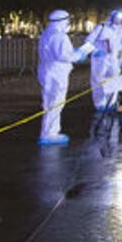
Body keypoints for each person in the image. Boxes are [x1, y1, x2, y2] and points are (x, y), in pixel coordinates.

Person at [37, 9, 92, 146]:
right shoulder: (59, 36)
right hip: (56, 73)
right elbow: (64, 56)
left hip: (49, 71)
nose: (68, 23)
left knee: (51, 103)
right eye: (67, 21)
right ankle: (49, 134)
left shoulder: (48, 34)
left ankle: (50, 132)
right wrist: (80, 54)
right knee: (55, 102)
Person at [86, 9, 122, 111]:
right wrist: (96, 52)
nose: (119, 20)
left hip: (114, 59)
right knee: (99, 81)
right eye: (117, 17)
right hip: (100, 59)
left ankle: (111, 103)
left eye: (120, 18)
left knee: (114, 80)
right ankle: (100, 105)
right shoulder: (101, 27)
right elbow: (89, 41)